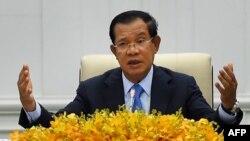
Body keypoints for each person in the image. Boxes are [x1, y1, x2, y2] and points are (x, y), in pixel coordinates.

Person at [17, 10, 243, 130]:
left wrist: (226, 105)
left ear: (155, 45)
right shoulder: (92, 90)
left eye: (141, 41)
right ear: (114, 52)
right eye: (123, 44)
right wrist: (31, 106)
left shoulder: (183, 86)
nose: (132, 50)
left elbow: (213, 129)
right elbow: (57, 128)